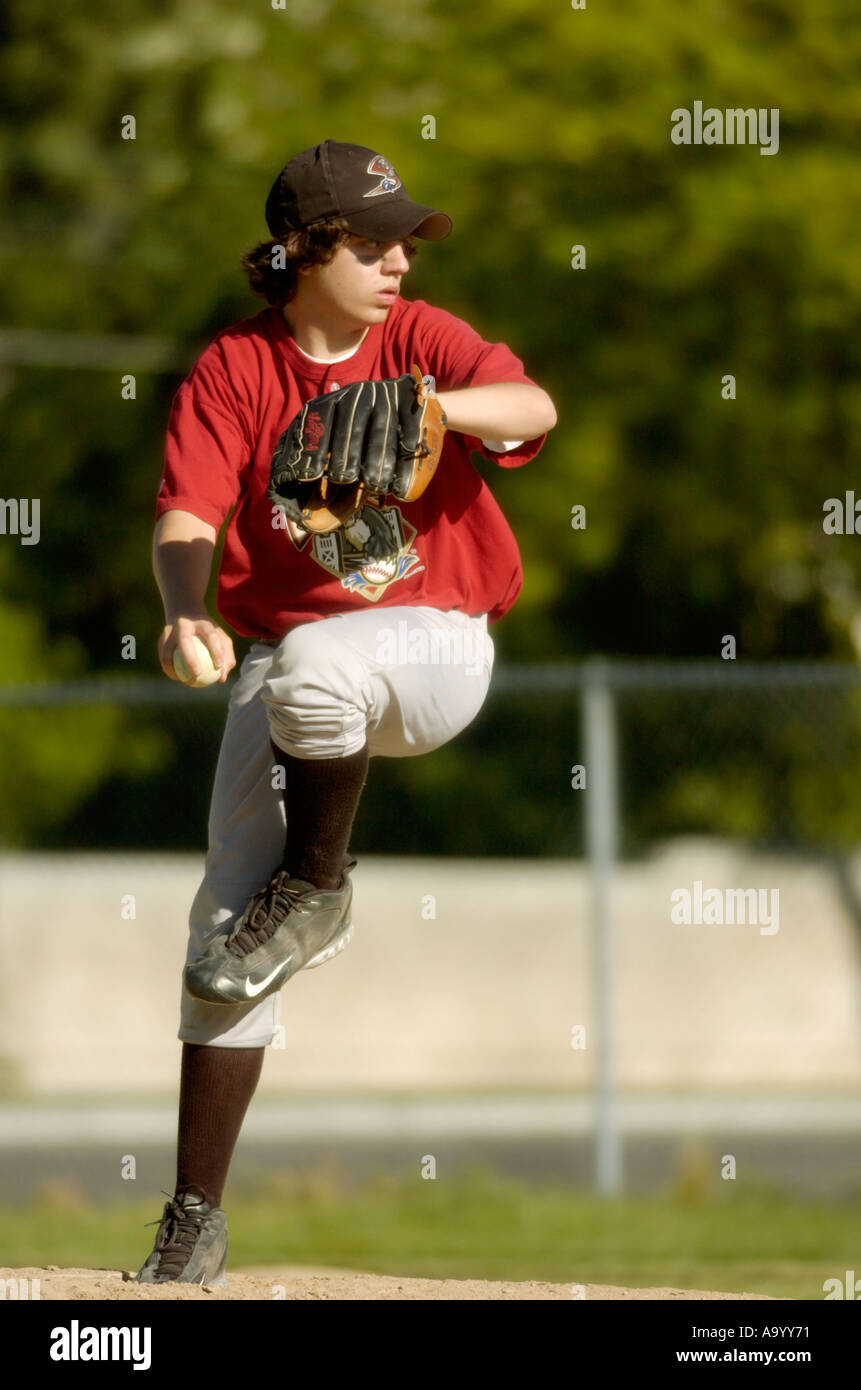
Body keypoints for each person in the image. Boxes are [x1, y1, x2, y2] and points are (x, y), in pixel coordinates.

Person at [136, 139, 557, 1284]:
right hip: (289, 662)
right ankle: (191, 1223)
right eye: (369, 245)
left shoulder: (422, 341)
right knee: (223, 940)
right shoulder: (235, 368)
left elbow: (534, 405)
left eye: (402, 244)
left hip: (433, 645)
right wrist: (182, 611)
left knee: (319, 661)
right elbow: (188, 513)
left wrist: (440, 409)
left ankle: (319, 886)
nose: (396, 266)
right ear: (300, 253)